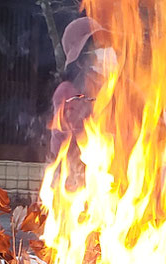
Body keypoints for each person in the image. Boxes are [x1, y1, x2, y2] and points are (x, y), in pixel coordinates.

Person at [48, 17, 112, 160]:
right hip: (79, 173)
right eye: (98, 48)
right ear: (81, 60)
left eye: (106, 46)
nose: (105, 52)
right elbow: (66, 139)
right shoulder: (67, 92)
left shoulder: (112, 88)